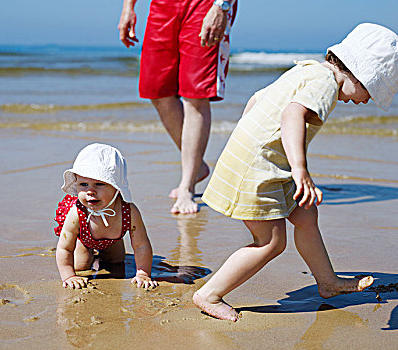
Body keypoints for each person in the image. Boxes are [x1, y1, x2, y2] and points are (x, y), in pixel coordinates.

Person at [193, 23, 398, 321]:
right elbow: (292, 114)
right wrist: (300, 171)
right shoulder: (326, 84)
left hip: (264, 161)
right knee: (271, 242)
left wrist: (251, 140)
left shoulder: (309, 70)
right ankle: (209, 294)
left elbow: (256, 99)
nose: (365, 101)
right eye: (370, 90)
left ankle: (328, 282)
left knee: (305, 214)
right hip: (258, 167)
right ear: (356, 73)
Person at [118, 0, 238, 214]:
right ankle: (197, 167)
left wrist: (221, 6)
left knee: (196, 94)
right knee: (157, 90)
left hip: (206, 4)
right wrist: (128, 7)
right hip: (162, 5)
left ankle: (187, 186)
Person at [54, 143, 158, 289]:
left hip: (112, 239)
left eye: (99, 184)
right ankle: (86, 249)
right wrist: (69, 276)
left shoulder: (128, 211)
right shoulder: (77, 212)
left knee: (116, 261)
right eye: (83, 184)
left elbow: (141, 245)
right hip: (85, 238)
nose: (90, 191)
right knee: (81, 265)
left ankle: (104, 249)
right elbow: (65, 248)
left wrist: (143, 273)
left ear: (116, 187)